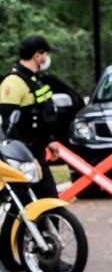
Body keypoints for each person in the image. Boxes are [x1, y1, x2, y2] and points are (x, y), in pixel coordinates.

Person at [0, 35, 63, 199]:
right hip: (22, 156)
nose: (47, 58)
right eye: (46, 54)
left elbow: (40, 115)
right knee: (29, 202)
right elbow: (7, 124)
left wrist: (49, 141)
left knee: (47, 199)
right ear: (37, 56)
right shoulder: (13, 82)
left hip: (37, 151)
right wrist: (19, 156)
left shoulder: (34, 80)